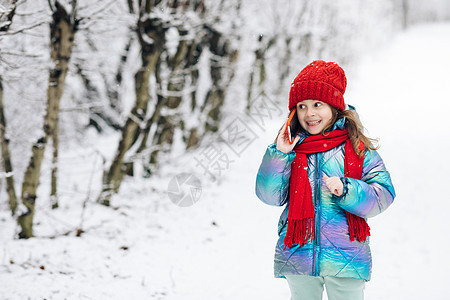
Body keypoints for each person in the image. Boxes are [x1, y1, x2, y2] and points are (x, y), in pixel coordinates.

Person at [255, 60, 395, 300]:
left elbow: (383, 194)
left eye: (317, 104)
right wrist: (279, 155)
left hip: (346, 255)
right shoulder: (291, 148)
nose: (309, 113)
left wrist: (348, 190)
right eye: (301, 106)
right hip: (299, 252)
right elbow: (269, 196)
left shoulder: (357, 148)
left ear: (334, 106)